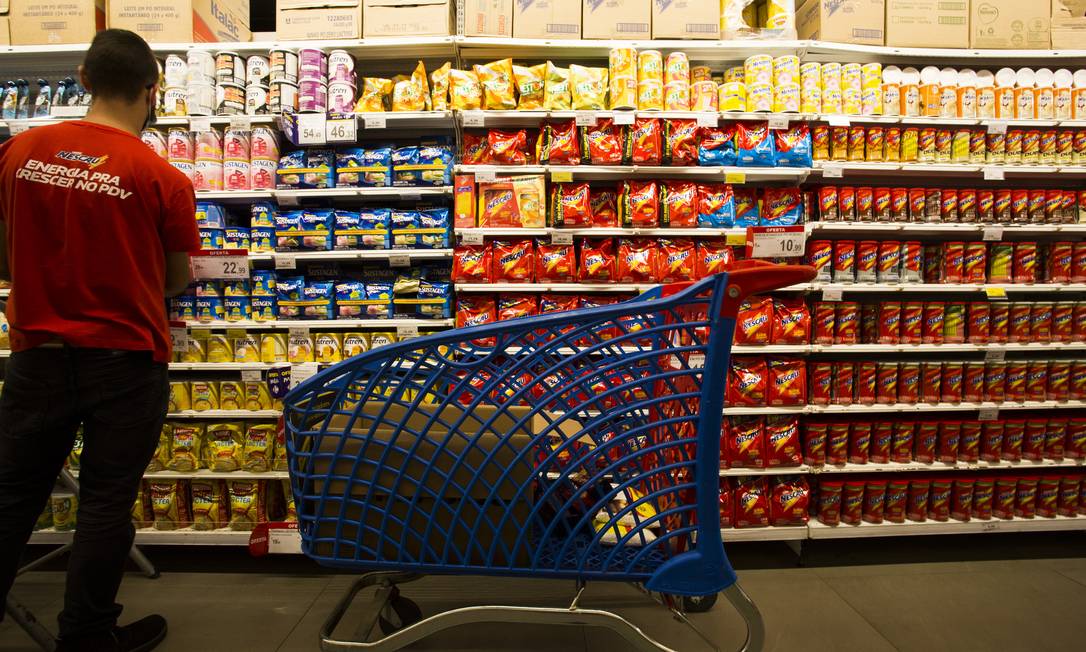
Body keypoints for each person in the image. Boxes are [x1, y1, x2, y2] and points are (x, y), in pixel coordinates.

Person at [0, 29, 199, 652]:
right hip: (125, 359)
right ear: (153, 89)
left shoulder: (16, 152)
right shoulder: (162, 176)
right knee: (107, 502)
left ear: (83, 78)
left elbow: (4, 260)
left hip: (38, 354)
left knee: (11, 497)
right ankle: (86, 635)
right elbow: (173, 279)